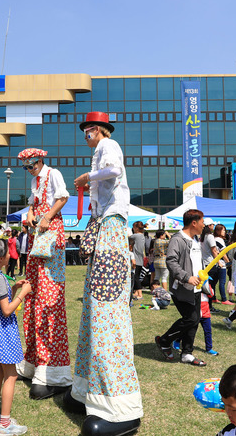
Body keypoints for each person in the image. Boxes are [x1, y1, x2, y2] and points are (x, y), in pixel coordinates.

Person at [66, 112, 142, 436]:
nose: (86, 136)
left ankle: (120, 406)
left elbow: (114, 171)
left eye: (89, 131)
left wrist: (88, 177)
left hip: (111, 230)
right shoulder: (102, 149)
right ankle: (84, 391)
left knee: (106, 315)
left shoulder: (108, 145)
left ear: (99, 130)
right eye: (85, 131)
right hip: (104, 231)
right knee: (92, 315)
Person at [16, 147, 72, 401]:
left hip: (50, 234)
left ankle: (54, 372)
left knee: (48, 299)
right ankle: (33, 362)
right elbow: (31, 203)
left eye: (32, 166)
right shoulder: (34, 180)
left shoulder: (54, 174)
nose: (30, 170)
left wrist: (47, 216)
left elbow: (63, 197)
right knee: (33, 296)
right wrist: (30, 215)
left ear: (41, 161)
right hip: (37, 235)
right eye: (26, 167)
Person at [0, 239, 32, 435]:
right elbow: (7, 310)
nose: (12, 253)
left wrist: (15, 289)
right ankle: (5, 424)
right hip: (4, 331)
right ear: (2, 258)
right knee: (11, 375)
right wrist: (24, 294)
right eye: (9, 251)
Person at [155, 209, 207, 367]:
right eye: (202, 222)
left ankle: (187, 353)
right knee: (191, 318)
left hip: (196, 288)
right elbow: (171, 261)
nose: (204, 225)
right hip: (183, 288)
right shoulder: (178, 239)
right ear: (194, 223)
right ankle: (164, 340)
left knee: (194, 320)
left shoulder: (196, 239)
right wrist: (186, 277)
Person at [213, 224, 232, 305]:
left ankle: (213, 298)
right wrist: (228, 262)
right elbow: (223, 253)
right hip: (221, 263)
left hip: (215, 263)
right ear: (218, 231)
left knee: (214, 282)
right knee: (222, 282)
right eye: (223, 230)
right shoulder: (219, 240)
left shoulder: (213, 239)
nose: (224, 232)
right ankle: (224, 299)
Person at [129, 221, 146, 300]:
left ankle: (140, 294)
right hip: (140, 260)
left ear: (136, 228)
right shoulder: (142, 235)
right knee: (137, 277)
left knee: (135, 278)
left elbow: (126, 237)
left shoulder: (135, 236)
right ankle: (136, 293)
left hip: (135, 260)